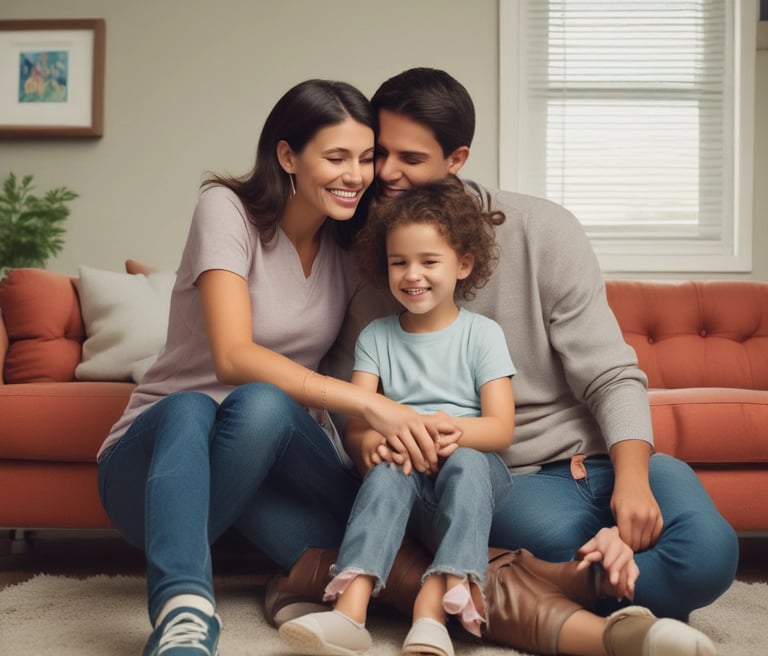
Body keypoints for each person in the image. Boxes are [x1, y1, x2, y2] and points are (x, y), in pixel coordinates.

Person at [266, 68, 735, 654]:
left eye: (408, 157)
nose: (383, 173)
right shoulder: (374, 259)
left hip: (605, 461)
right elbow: (349, 401)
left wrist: (633, 483)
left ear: (456, 157)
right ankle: (588, 589)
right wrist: (372, 447)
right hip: (514, 483)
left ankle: (561, 587)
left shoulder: (544, 231)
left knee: (711, 556)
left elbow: (612, 374)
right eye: (377, 152)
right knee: (561, 551)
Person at [96, 78, 460, 656]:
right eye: (336, 157)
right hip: (154, 471)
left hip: (265, 464)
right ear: (287, 155)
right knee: (211, 402)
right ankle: (185, 617)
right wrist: (369, 404)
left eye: (365, 158)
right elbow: (232, 356)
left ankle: (533, 598)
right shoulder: (228, 211)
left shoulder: (354, 246)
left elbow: (432, 278)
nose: (356, 174)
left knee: (376, 562)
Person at [279, 176, 516, 656]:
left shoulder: (483, 335)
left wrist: (447, 431)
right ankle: (351, 611)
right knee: (390, 467)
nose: (413, 274)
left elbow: (500, 428)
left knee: (469, 462)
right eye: (399, 262)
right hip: (406, 468)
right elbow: (358, 426)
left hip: (470, 467)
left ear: (463, 264)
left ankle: (437, 612)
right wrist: (375, 445)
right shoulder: (376, 337)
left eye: (430, 261)